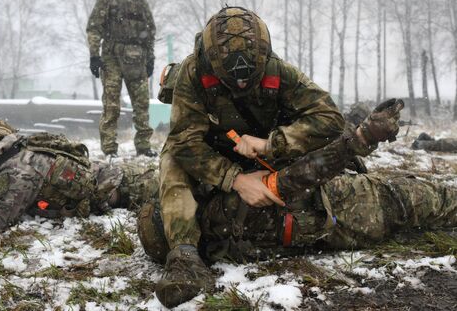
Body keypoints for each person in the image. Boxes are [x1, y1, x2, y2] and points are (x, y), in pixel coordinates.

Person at [139, 98, 457, 308]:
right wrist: (360, 138)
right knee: (431, 201)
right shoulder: (226, 208)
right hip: (348, 209)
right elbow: (297, 179)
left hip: (334, 215)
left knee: (429, 203)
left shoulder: (214, 241)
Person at [153, 6, 346, 308]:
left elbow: (330, 119)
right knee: (172, 160)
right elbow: (185, 143)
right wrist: (236, 179)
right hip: (210, 154)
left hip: (264, 152)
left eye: (249, 78)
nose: (242, 85)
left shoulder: (278, 72)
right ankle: (184, 256)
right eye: (233, 78)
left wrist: (272, 144)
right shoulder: (194, 73)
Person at [0, 119, 157, 232]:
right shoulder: (18, 153)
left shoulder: (19, 169)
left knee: (182, 192)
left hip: (132, 187)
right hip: (118, 181)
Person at [86, 0, 156, 158]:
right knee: (112, 106)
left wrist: (150, 58)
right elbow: (94, 27)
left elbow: (149, 31)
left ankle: (143, 147)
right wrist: (94, 55)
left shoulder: (140, 1)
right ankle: (109, 149)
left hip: (137, 60)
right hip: (112, 58)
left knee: (142, 105)